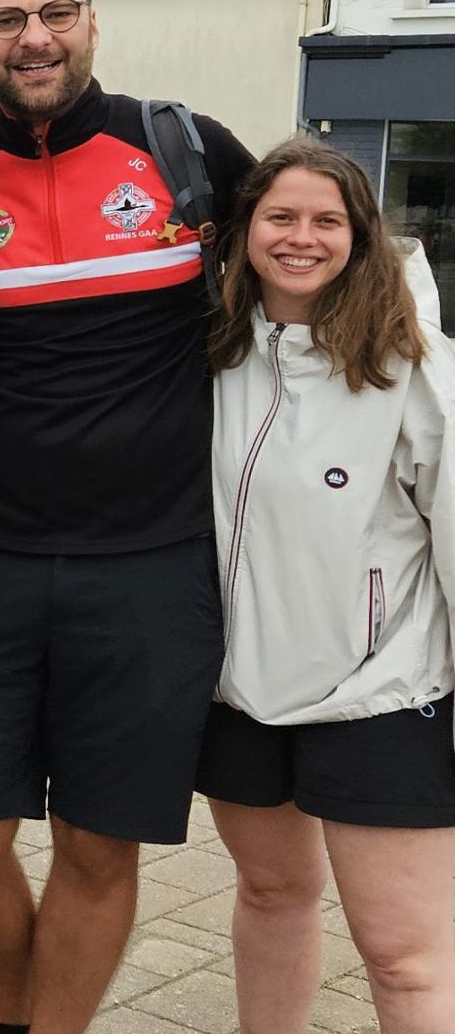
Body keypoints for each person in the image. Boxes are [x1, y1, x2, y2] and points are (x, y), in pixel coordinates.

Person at [0, 0, 256, 1034]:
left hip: (151, 568)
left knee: (95, 844)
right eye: (6, 18)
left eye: (54, 12)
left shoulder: (186, 149)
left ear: (90, 20)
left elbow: (317, 263)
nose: (33, 36)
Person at [199, 138, 455, 1034]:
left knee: (404, 956)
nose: (300, 238)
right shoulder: (215, 354)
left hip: (383, 692)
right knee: (271, 896)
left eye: (325, 220)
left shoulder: (411, 363)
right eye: (280, 217)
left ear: (360, 234)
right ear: (244, 231)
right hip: (241, 693)